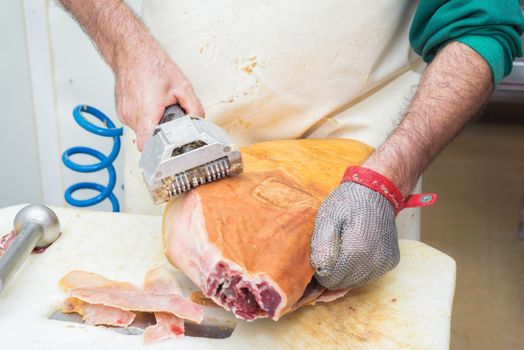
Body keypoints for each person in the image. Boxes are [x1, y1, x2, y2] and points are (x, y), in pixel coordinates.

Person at [58, 0, 524, 290]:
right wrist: (125, 46)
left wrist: (388, 175)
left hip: (358, 168)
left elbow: (481, 22)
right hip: (184, 146)